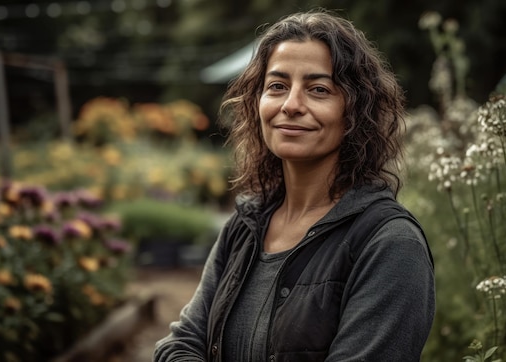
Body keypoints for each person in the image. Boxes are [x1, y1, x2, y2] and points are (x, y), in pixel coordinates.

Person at [154, 9, 435, 362]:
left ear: (355, 111)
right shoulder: (245, 225)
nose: (291, 105)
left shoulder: (389, 244)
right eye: (277, 86)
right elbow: (180, 344)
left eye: (318, 89)